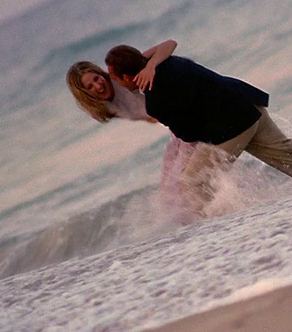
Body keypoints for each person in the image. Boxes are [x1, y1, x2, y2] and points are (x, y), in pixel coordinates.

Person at [105, 42, 292, 213]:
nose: (115, 83)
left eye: (116, 78)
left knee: (193, 184)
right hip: (249, 104)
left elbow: (189, 134)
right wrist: (147, 63)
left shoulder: (156, 102)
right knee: (291, 156)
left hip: (233, 127)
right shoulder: (168, 61)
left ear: (127, 76)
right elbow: (164, 45)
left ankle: (231, 228)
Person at [66, 40, 200, 224]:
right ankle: (196, 228)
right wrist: (150, 117)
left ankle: (209, 214)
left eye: (97, 78)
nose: (98, 86)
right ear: (85, 95)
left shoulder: (122, 75)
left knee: (184, 180)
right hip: (175, 129)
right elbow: (141, 110)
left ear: (102, 73)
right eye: (90, 87)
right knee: (167, 191)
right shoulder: (107, 107)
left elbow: (169, 44)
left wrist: (150, 67)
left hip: (185, 122)